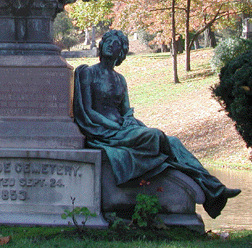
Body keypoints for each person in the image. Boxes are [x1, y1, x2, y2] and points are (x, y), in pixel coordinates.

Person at [73, 30, 241, 219]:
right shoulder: (88, 73)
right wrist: (116, 127)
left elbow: (126, 109)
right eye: (108, 41)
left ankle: (213, 187)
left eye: (117, 43)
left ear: (122, 52)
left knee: (174, 142)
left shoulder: (120, 79)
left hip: (125, 128)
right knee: (155, 136)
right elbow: (88, 111)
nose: (112, 45)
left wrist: (128, 119)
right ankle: (212, 189)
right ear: (101, 46)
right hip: (104, 132)